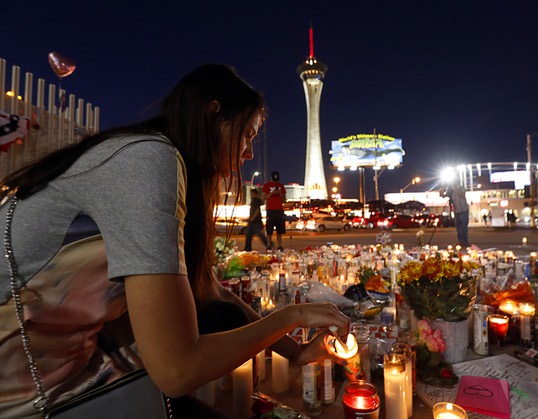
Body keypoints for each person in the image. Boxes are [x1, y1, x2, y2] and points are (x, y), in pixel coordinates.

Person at [0, 64, 349, 418]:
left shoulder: (156, 158)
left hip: (76, 363)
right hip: (27, 390)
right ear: (213, 114)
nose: (248, 153)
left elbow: (210, 289)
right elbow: (177, 371)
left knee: (222, 313)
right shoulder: (147, 159)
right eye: (246, 135)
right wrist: (292, 315)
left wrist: (297, 351)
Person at [262, 170, 287, 251]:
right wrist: (272, 193)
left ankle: (280, 245)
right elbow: (264, 197)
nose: (276, 181)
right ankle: (268, 245)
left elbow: (284, 199)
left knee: (280, 230)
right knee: (269, 229)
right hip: (271, 210)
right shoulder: (267, 185)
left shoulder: (281, 186)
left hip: (279, 210)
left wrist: (280, 193)